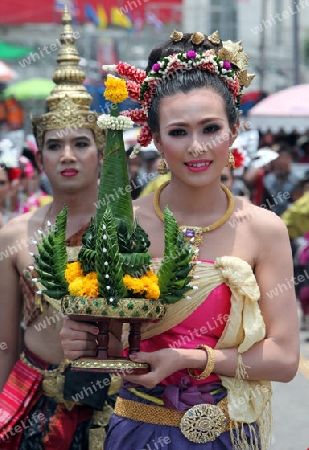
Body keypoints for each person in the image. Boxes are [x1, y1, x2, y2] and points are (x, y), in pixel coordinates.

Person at [60, 30, 300, 449]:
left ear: (235, 129)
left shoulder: (264, 229)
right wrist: (81, 339)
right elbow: (111, 342)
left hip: (229, 433)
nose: (196, 147)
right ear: (153, 137)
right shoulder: (123, 223)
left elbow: (283, 359)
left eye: (210, 128)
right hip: (137, 431)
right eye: (178, 132)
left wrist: (192, 359)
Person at [0, 9, 111, 450]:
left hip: (123, 407)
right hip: (35, 405)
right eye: (54, 145)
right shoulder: (14, 235)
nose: (68, 155)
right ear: (40, 158)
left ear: (101, 154)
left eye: (81, 143)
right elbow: (6, 341)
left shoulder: (137, 229)